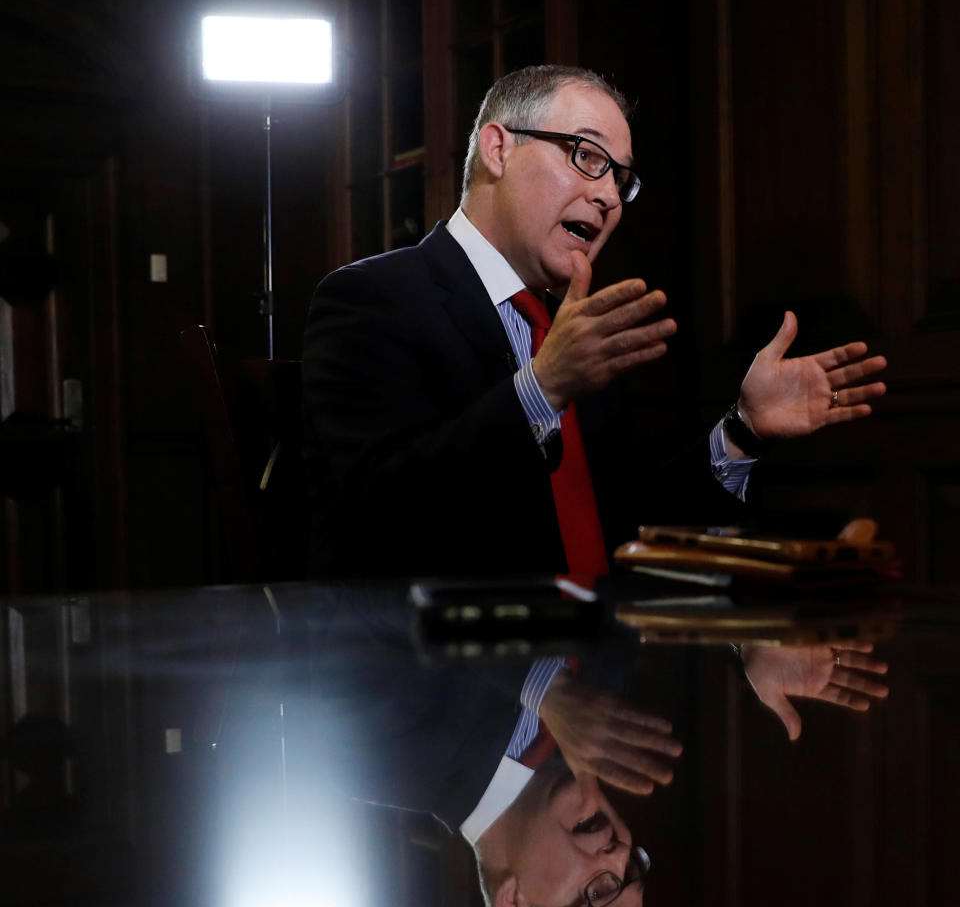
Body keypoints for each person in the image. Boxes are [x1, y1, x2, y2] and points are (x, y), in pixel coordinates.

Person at [302, 63, 887, 577]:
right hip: (447, 680)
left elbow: (629, 537)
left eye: (620, 179)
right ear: (498, 149)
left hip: (601, 675)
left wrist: (743, 430)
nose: (609, 195)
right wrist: (542, 388)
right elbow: (382, 515)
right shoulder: (370, 299)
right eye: (587, 157)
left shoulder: (574, 329)